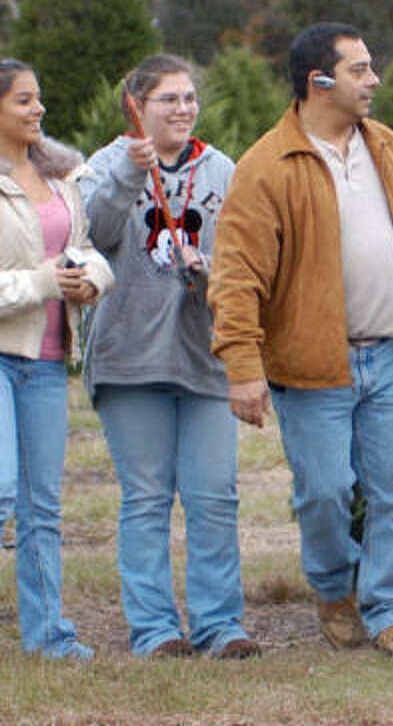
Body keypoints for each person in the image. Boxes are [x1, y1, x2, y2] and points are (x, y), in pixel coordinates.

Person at [208, 22, 393, 659]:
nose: (373, 81)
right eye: (360, 70)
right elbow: (235, 278)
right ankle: (333, 586)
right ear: (320, 82)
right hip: (315, 366)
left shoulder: (390, 148)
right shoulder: (268, 166)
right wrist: (241, 366)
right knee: (323, 494)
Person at [0, 49, 114, 667]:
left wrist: (92, 281)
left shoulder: (63, 181)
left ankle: (50, 637)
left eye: (38, 98)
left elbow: (84, 251)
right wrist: (41, 282)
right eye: (24, 100)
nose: (39, 109)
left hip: (46, 360)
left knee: (42, 504)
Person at [77, 54, 259, 659]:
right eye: (168, 100)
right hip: (131, 358)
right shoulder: (103, 165)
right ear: (136, 106)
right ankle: (155, 630)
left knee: (213, 495)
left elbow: (243, 260)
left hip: (203, 358)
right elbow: (93, 237)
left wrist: (210, 270)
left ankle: (220, 625)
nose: (184, 109)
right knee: (148, 497)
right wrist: (131, 174)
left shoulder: (224, 171)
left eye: (189, 98)